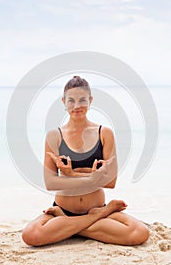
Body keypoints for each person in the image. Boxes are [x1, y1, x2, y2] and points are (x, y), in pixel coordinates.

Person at [22, 76, 149, 246]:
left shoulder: (104, 133)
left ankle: (72, 226)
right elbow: (51, 183)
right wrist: (93, 175)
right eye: (71, 100)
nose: (77, 106)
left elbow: (111, 182)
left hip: (85, 210)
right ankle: (95, 218)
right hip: (72, 210)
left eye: (82, 100)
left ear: (90, 100)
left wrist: (71, 174)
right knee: (30, 235)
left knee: (139, 233)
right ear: (63, 102)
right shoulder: (54, 136)